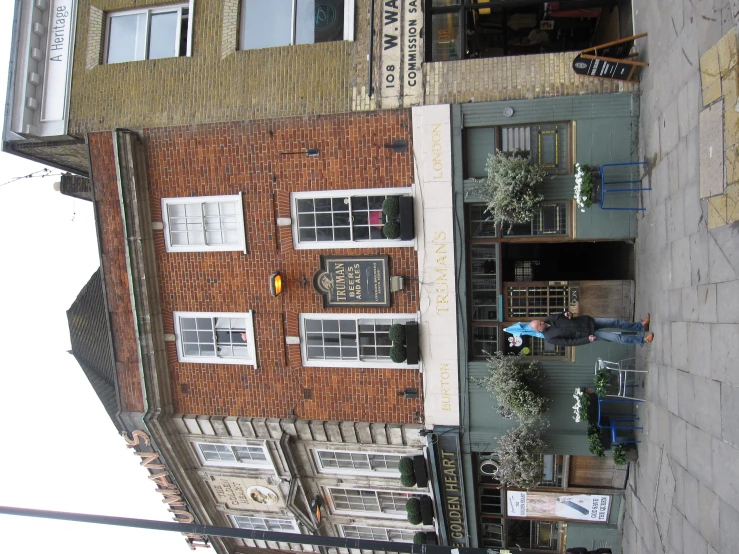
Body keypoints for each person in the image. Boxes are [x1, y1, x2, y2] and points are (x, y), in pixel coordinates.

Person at [528, 311, 653, 346]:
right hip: (588, 333)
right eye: (539, 324)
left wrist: (568, 313)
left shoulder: (550, 318)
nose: (541, 322)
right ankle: (643, 340)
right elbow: (570, 342)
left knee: (616, 322)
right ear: (538, 330)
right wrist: (587, 339)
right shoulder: (550, 338)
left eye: (539, 321)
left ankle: (641, 326)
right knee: (617, 337)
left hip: (587, 321)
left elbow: (563, 314)